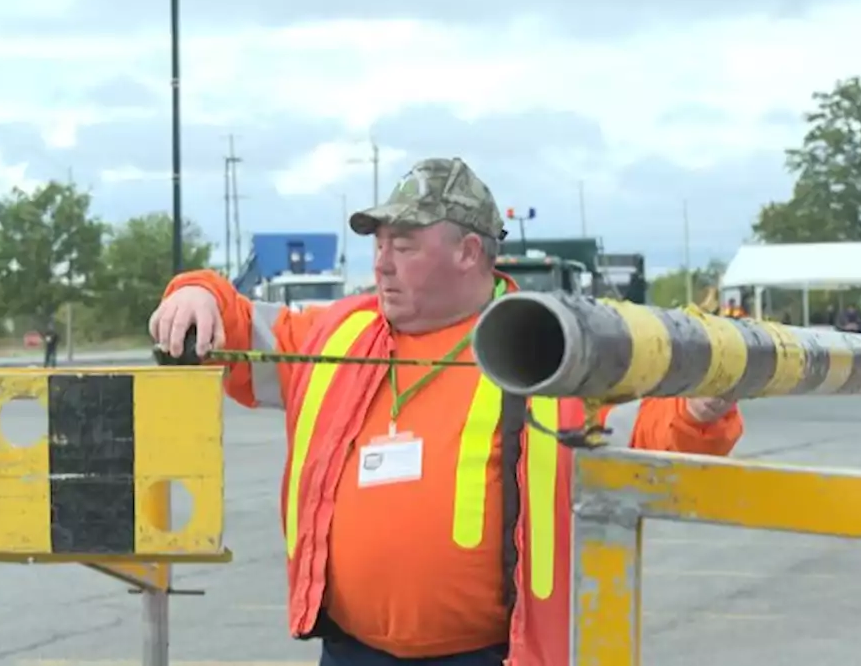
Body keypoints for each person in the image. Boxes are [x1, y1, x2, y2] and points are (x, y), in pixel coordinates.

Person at [149, 158, 744, 666]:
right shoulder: (337, 334)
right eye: (379, 244)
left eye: (403, 246)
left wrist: (701, 408)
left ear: (468, 253)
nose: (381, 263)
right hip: (351, 651)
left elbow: (655, 441)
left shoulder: (552, 346)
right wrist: (196, 291)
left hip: (492, 654)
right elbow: (241, 329)